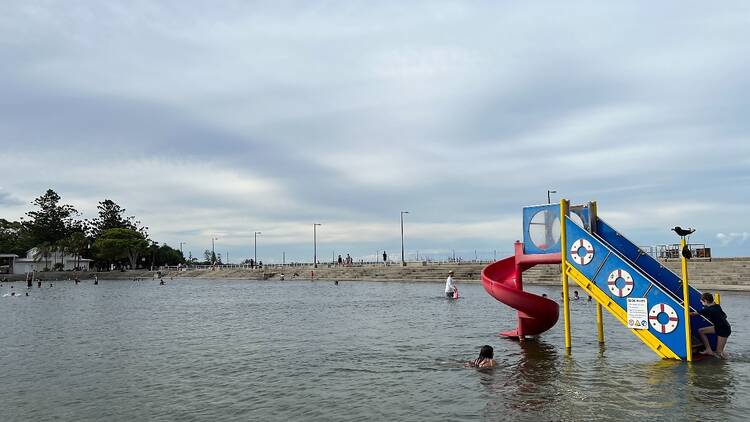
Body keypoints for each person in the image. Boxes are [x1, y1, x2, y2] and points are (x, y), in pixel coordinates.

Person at [690, 292, 731, 358]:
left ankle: (728, 360)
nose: (702, 304)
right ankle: (708, 349)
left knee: (719, 352)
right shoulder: (717, 306)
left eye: (702, 302)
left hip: (723, 330)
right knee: (701, 331)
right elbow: (725, 316)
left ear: (705, 301)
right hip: (721, 327)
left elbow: (692, 314)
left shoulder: (708, 310)